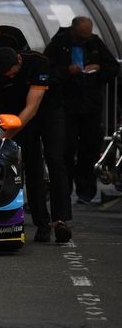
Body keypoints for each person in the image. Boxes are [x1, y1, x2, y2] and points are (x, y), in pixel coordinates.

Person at [0, 47, 71, 243]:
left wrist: (6, 137)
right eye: (6, 75)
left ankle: (60, 220)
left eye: (13, 72)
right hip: (17, 114)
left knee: (55, 160)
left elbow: (32, 108)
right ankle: (42, 224)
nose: (10, 76)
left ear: (19, 60)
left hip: (48, 112)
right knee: (31, 165)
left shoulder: (38, 63)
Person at [44, 16, 119, 204]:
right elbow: (46, 71)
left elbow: (112, 67)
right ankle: (64, 189)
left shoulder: (94, 43)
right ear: (73, 31)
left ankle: (86, 190)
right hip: (66, 104)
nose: (84, 41)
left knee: (90, 147)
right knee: (66, 148)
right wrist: (66, 71)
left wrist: (99, 68)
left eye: (87, 37)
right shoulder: (58, 45)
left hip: (90, 104)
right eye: (81, 37)